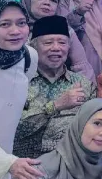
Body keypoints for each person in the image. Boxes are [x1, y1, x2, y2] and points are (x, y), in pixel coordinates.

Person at [13, 16, 96, 159]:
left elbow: (93, 126)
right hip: (28, 164)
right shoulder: (19, 83)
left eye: (62, 42)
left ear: (69, 47)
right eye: (48, 42)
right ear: (33, 47)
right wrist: (56, 106)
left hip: (71, 162)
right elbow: (13, 131)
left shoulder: (83, 84)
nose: (56, 48)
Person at [0, 0, 39, 179]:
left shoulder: (29, 57)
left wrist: (7, 162)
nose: (15, 31)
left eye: (21, 23)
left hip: (4, 164)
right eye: (4, 24)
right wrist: (8, 162)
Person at [22, 0, 96, 82]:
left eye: (53, 0)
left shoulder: (65, 29)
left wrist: (85, 88)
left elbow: (81, 65)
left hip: (62, 85)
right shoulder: (17, 30)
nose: (47, 3)